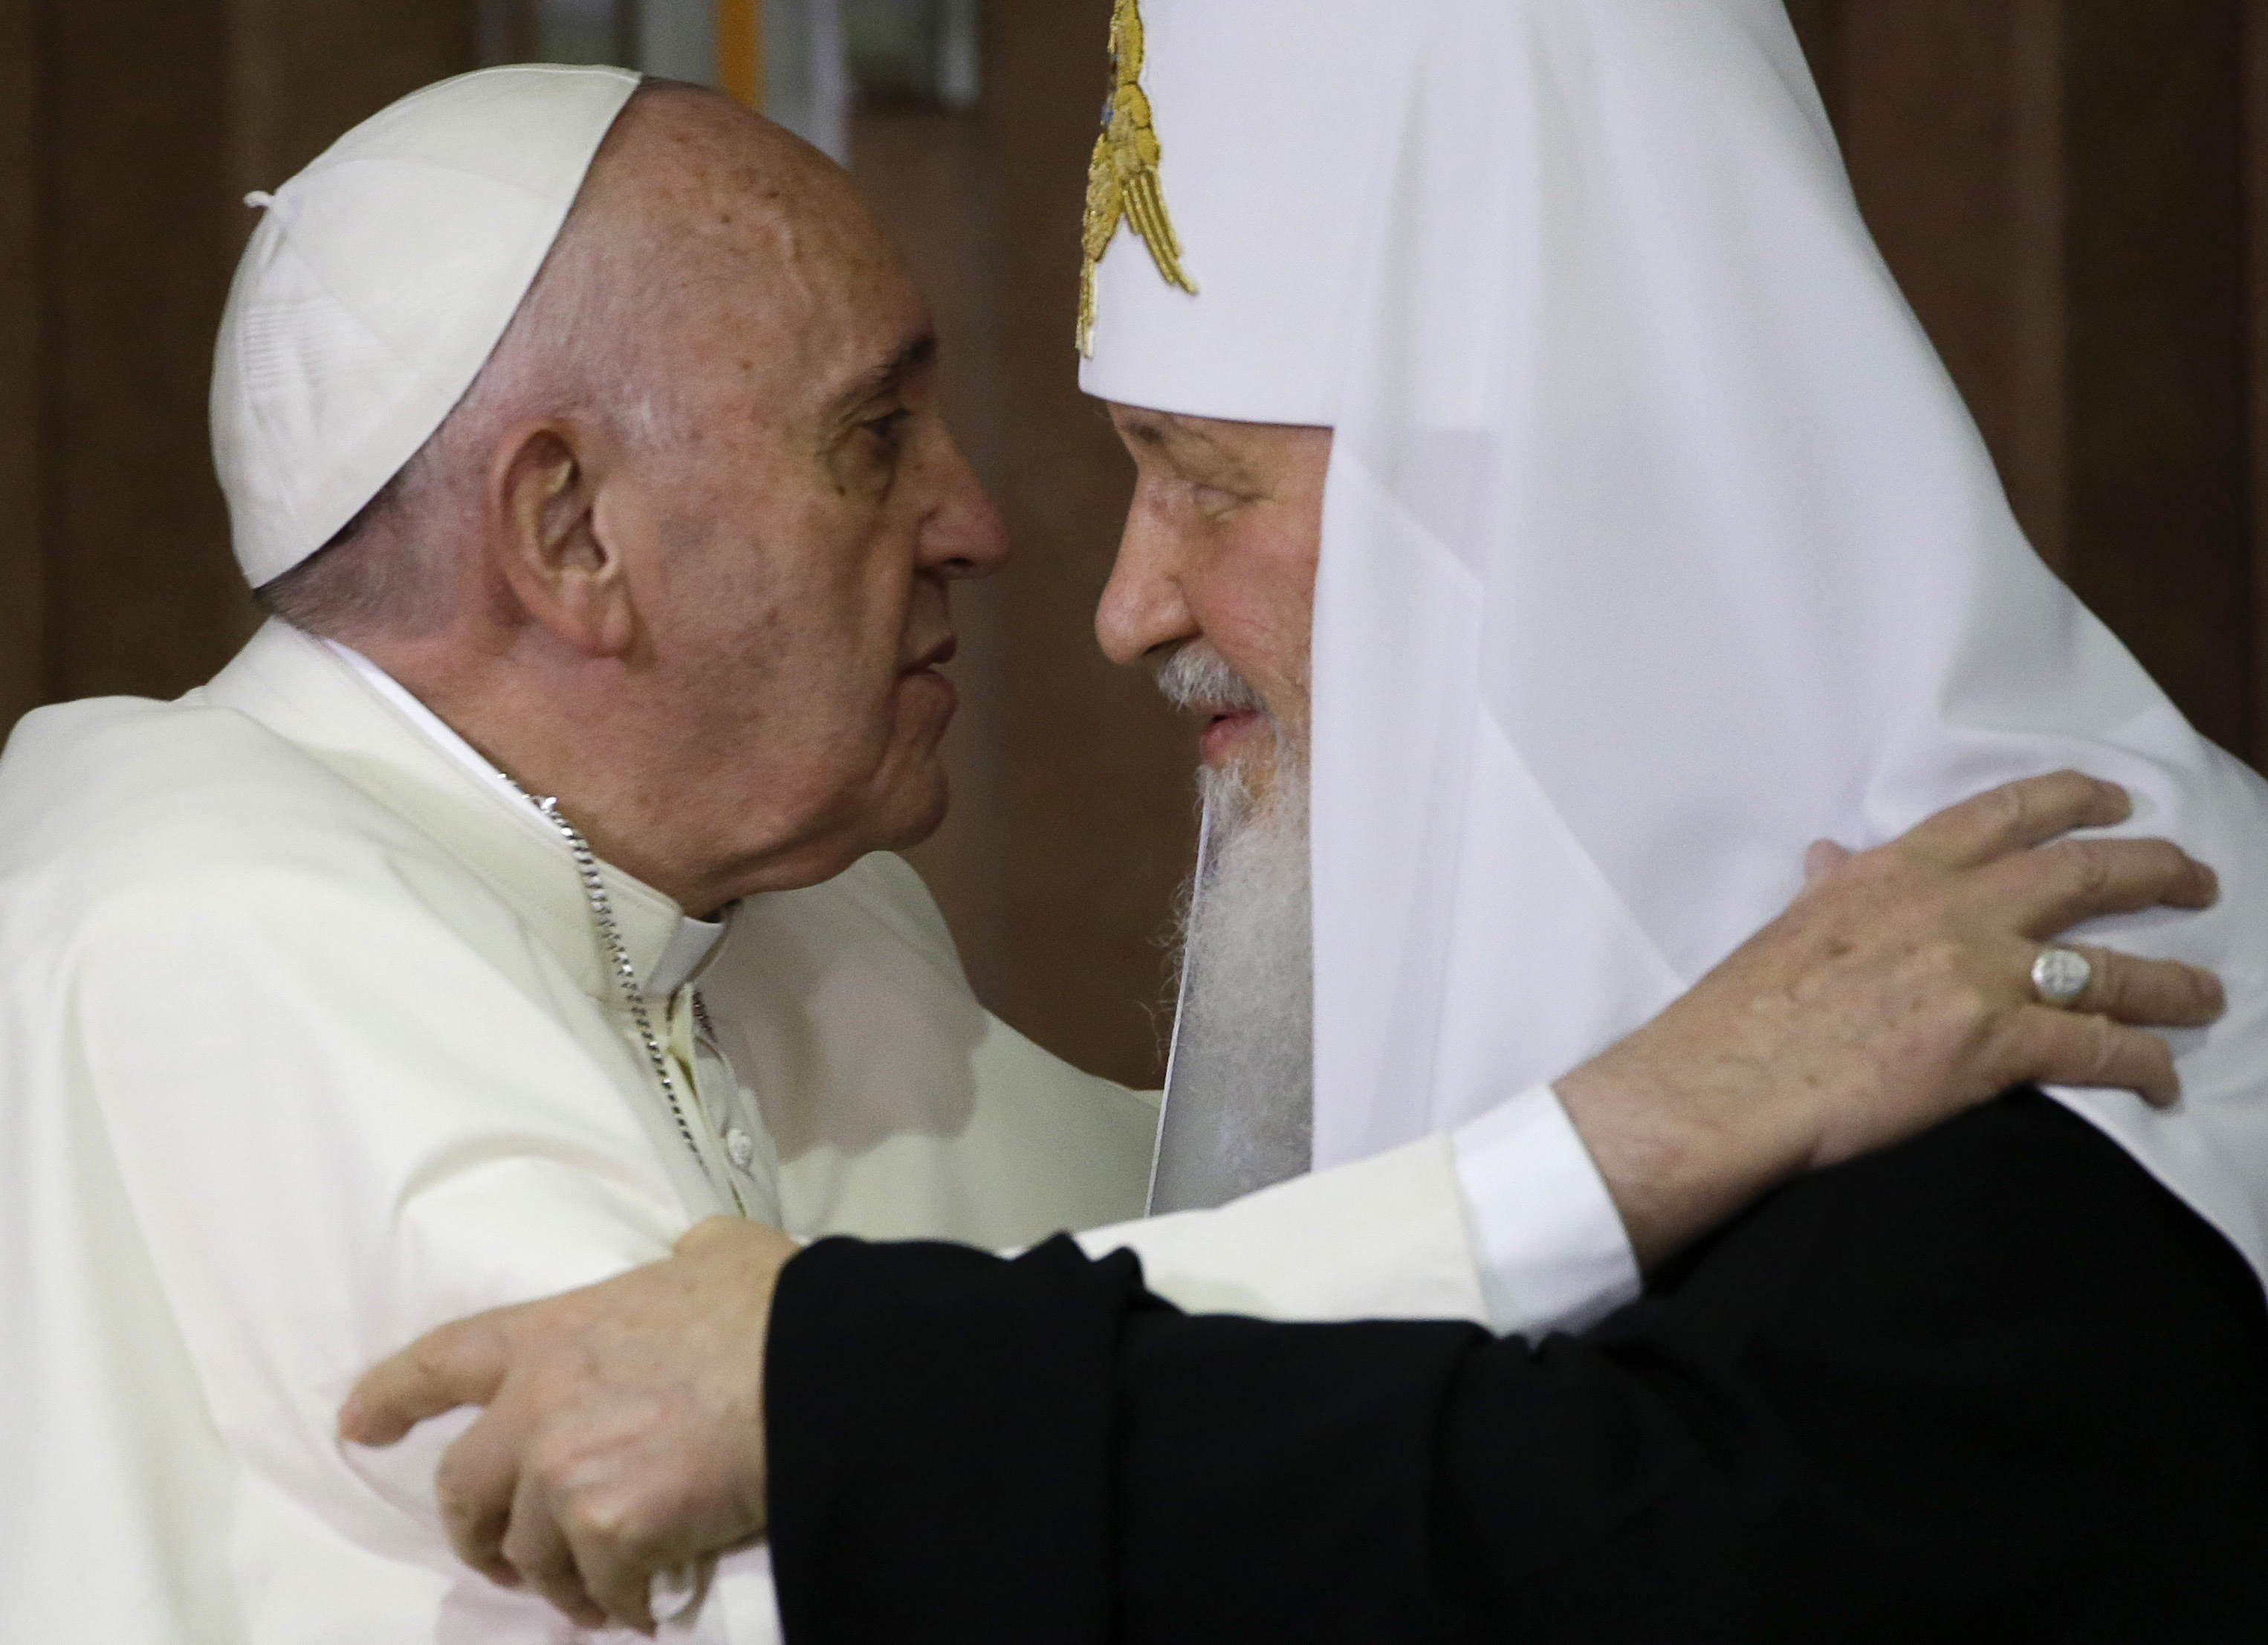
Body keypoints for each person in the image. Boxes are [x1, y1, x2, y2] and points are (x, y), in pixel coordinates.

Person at [345, 1, 2268, 1639]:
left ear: (1535, 509)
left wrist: (832, 1386)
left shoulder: (2068, 991)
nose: (1125, 607)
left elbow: (1597, 1543)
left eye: (1204, 483)